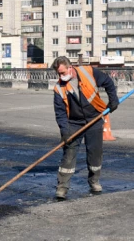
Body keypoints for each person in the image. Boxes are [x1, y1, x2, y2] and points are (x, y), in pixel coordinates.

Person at [52, 56, 119, 200]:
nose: (60, 76)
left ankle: (94, 181)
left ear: (70, 68)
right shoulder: (58, 88)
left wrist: (113, 100)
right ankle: (62, 187)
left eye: (62, 73)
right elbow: (60, 113)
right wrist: (65, 131)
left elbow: (108, 82)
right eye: (58, 74)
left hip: (94, 118)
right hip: (74, 122)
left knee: (95, 152)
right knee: (69, 153)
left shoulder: (88, 72)